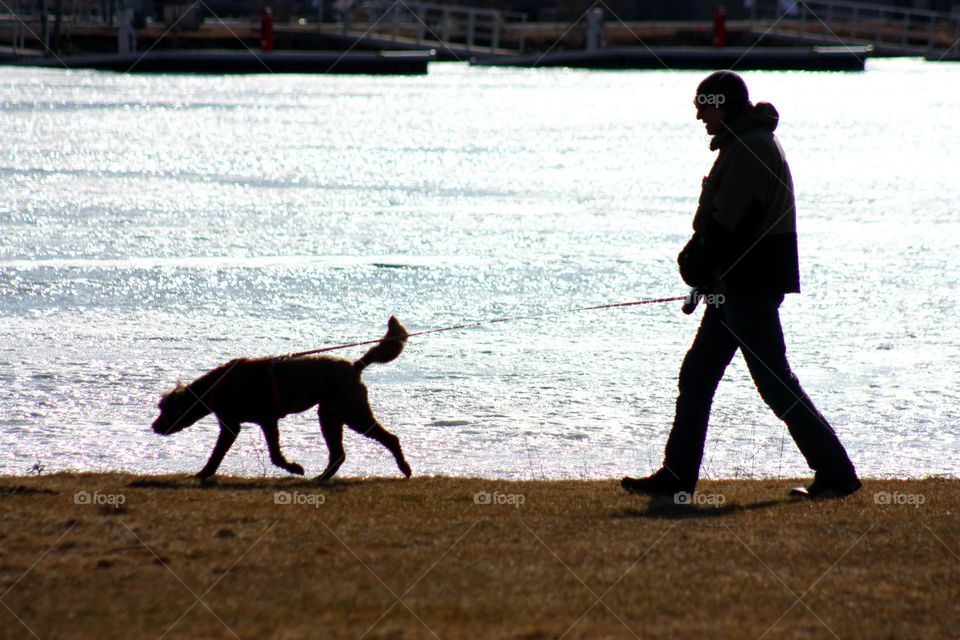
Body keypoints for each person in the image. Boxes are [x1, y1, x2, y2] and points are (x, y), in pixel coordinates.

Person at [623, 71, 861, 500]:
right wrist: (705, 272)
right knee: (698, 376)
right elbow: (726, 228)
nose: (698, 115)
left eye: (704, 105)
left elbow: (726, 226)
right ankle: (678, 478)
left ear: (724, 104)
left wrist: (694, 263)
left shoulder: (750, 148)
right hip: (733, 288)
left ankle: (837, 474)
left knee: (774, 383)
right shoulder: (744, 143)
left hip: (747, 289)